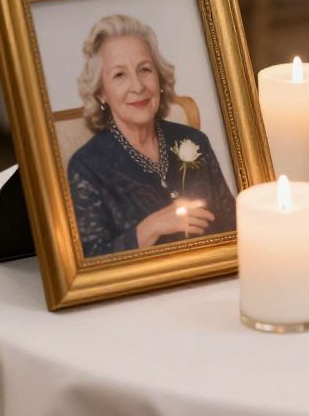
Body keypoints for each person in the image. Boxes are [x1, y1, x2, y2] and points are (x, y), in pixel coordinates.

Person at [67, 14, 236, 258]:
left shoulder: (194, 141)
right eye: (119, 75)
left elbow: (233, 226)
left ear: (159, 77)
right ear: (101, 93)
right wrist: (151, 227)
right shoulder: (87, 168)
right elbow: (90, 265)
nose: (138, 86)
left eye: (145, 70)